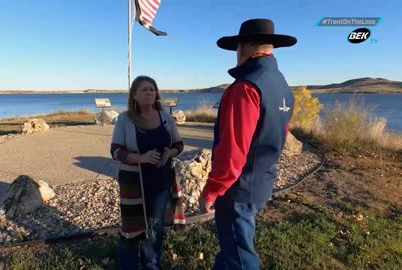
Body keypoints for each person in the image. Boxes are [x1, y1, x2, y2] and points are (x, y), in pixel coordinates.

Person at [199, 18, 297, 269]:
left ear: (244, 47)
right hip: (261, 181)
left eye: (237, 47)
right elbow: (281, 132)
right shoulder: (282, 86)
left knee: (240, 257)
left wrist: (212, 190)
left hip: (238, 187)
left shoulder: (245, 88)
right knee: (232, 246)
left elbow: (233, 150)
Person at [110, 75, 186, 269]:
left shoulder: (166, 118)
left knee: (155, 226)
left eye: (152, 89)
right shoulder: (124, 119)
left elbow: (179, 144)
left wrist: (171, 151)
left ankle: (152, 264)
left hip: (161, 181)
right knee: (132, 228)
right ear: (134, 94)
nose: (150, 93)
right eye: (144, 89)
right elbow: (116, 150)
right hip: (134, 183)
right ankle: (128, 265)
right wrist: (140, 158)